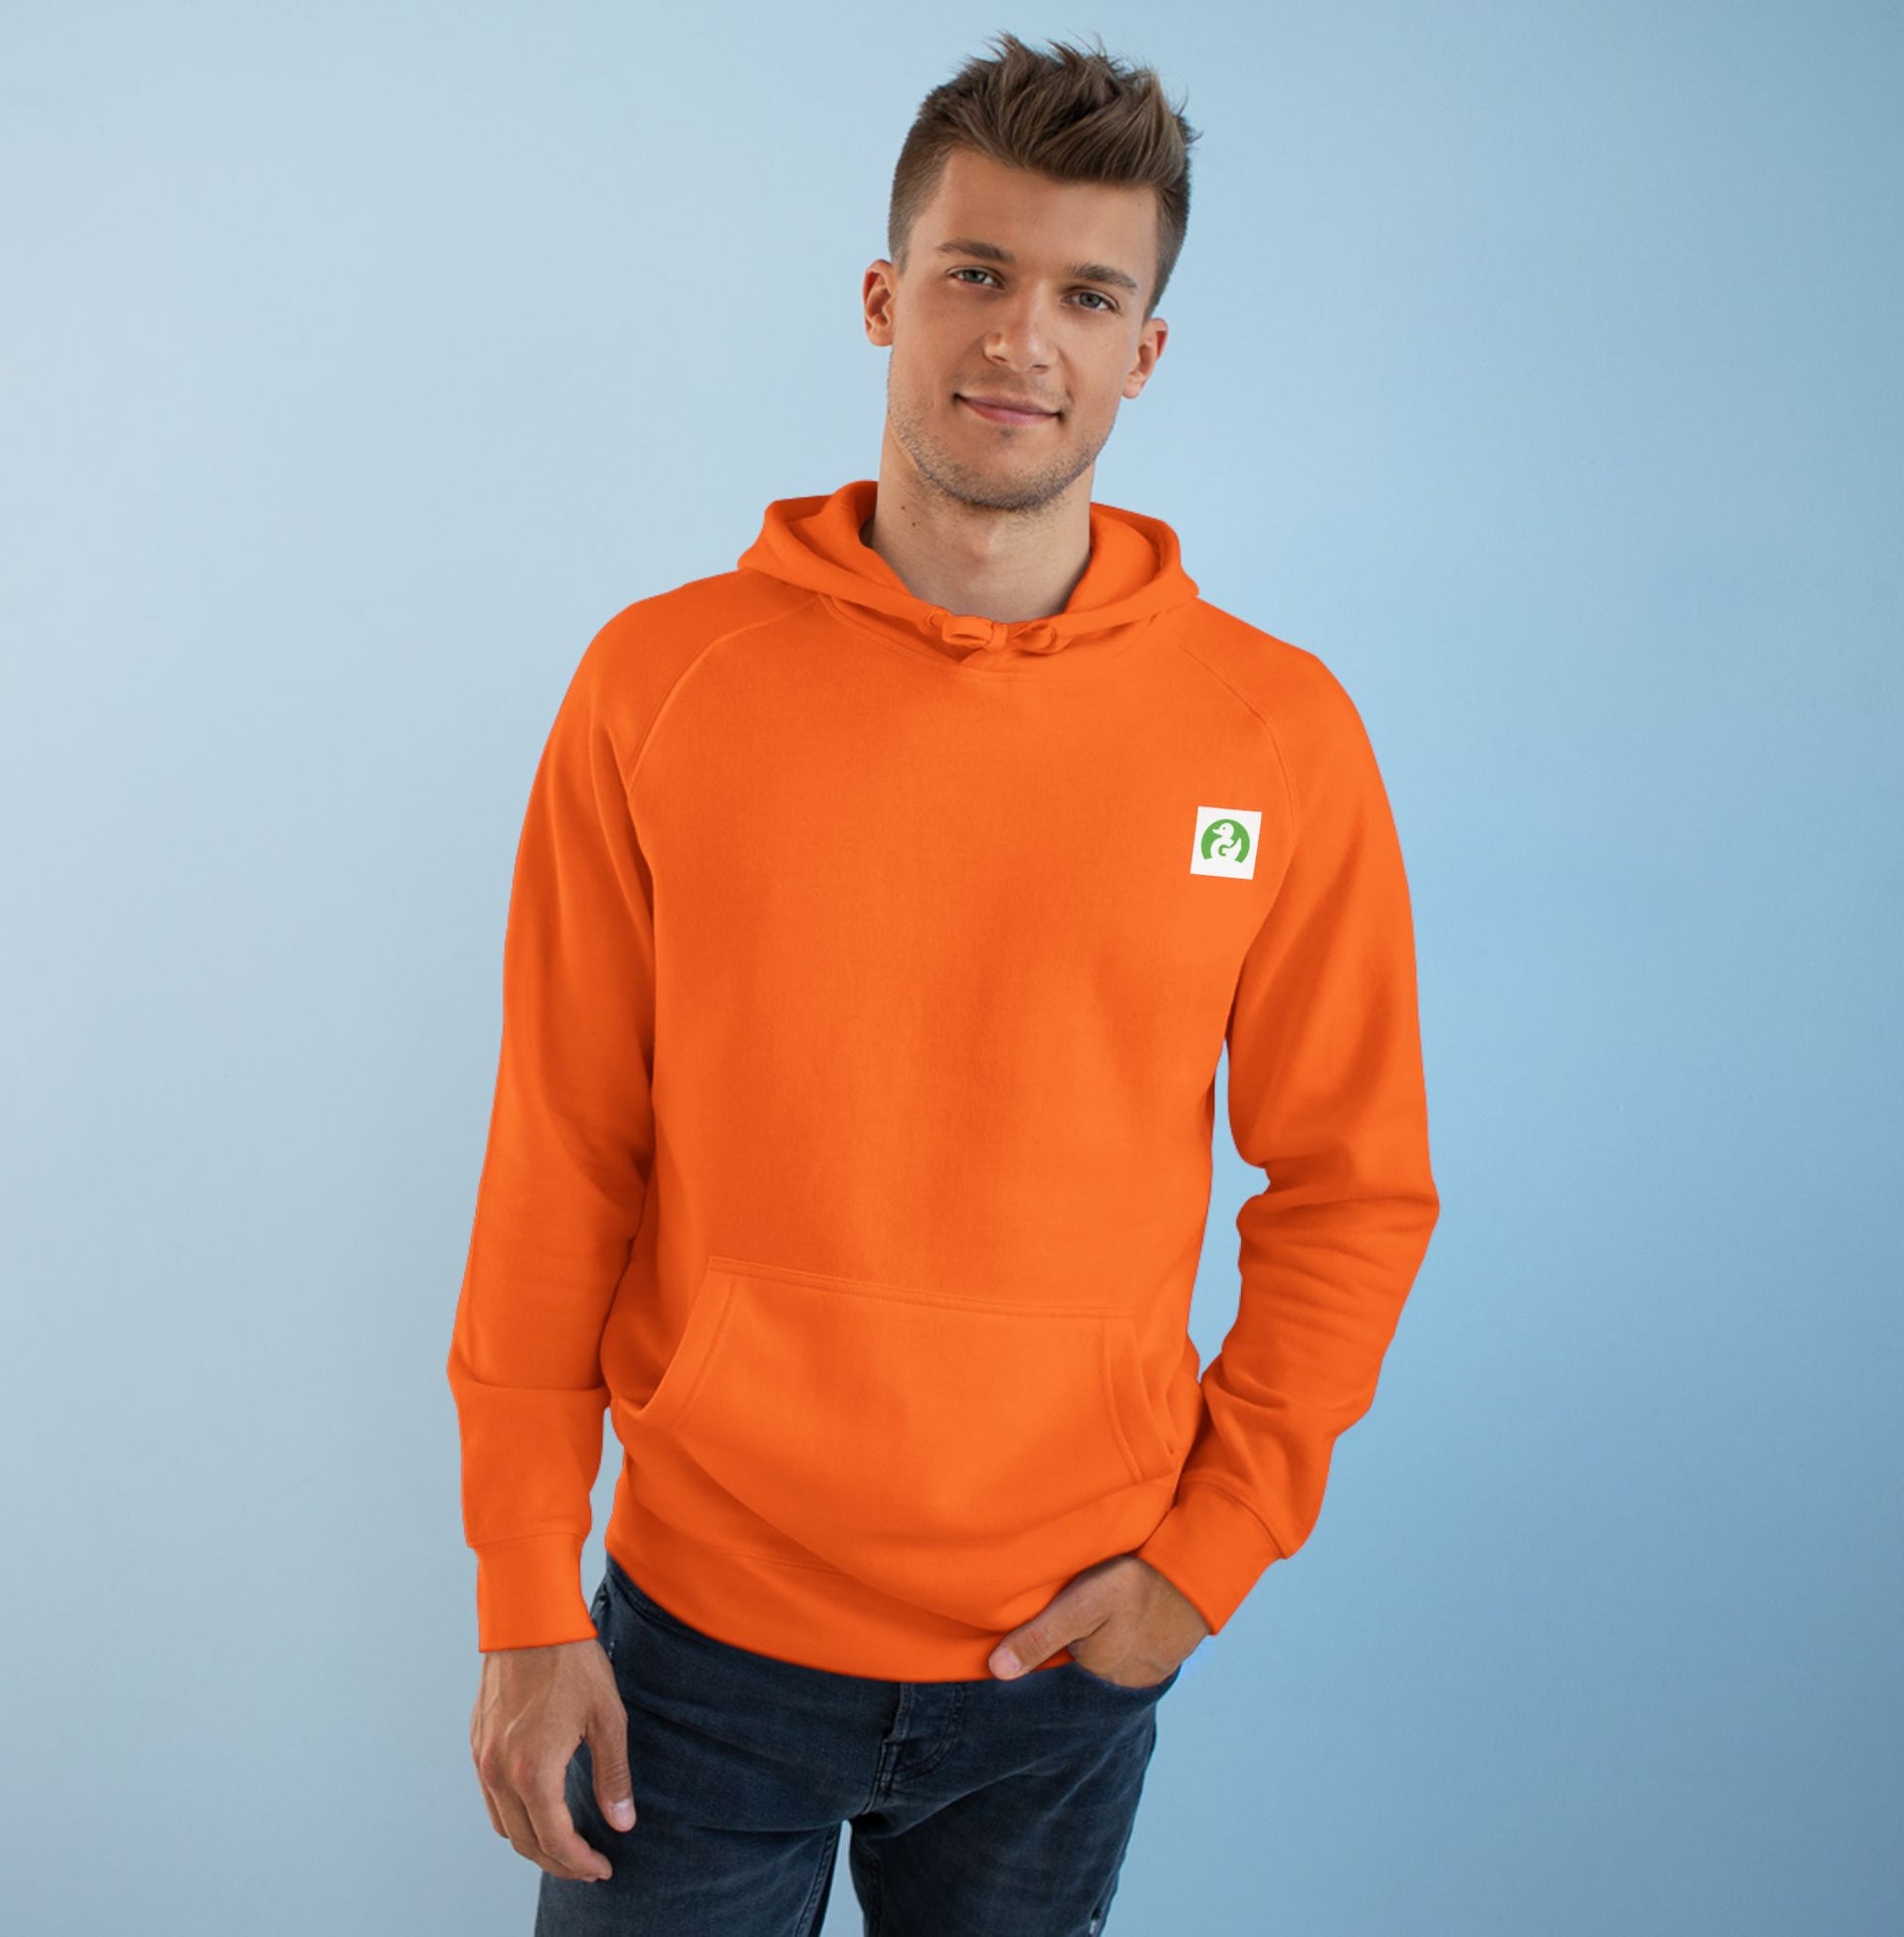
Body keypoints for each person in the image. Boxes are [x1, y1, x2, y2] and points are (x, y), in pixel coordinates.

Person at [446, 30, 1441, 1936]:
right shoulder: (661, 684)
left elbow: (1353, 1186)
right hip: (698, 1646)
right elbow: (562, 1152)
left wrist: (1208, 1556)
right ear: (884, 296)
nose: (1020, 338)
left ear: (1145, 348)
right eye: (976, 272)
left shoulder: (1275, 735)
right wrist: (520, 1588)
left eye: (1087, 295)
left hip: (1068, 1653)